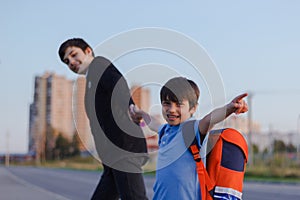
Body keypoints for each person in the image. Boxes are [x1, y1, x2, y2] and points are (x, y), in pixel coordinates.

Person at [58, 38, 149, 200]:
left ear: (88, 51)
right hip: (112, 158)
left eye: (73, 55)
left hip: (123, 150)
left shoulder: (99, 65)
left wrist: (131, 108)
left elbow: (118, 84)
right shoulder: (91, 77)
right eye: (67, 61)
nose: (71, 62)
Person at [130, 77, 248, 200]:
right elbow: (154, 123)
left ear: (193, 108)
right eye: (167, 103)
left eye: (179, 104)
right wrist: (140, 114)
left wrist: (229, 108)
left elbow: (209, 119)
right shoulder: (166, 131)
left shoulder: (191, 129)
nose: (171, 109)